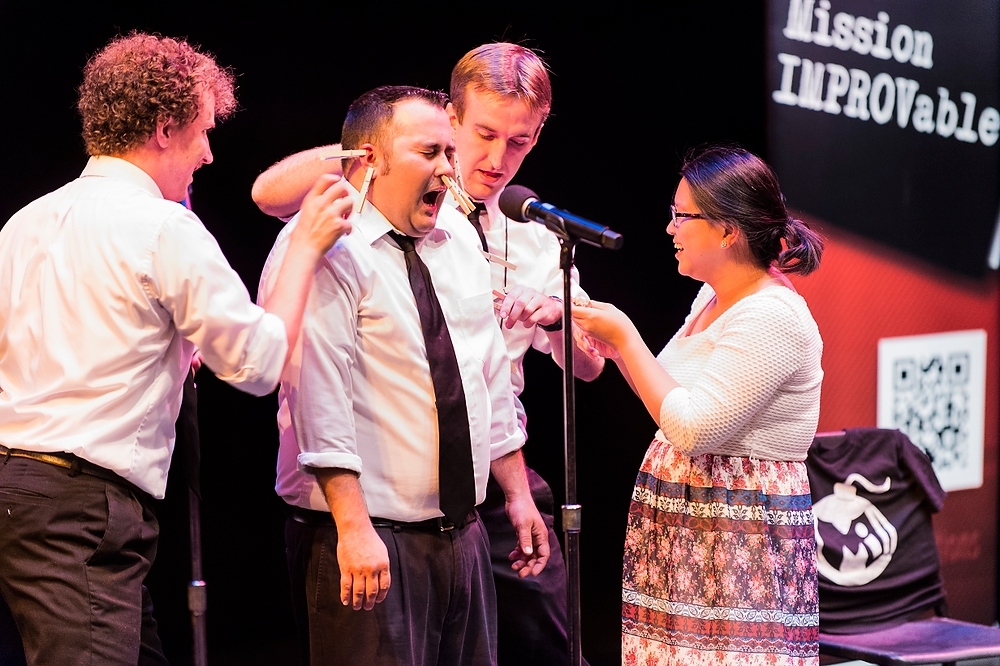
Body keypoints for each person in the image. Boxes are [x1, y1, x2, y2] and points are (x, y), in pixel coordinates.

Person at [0, 33, 353, 665]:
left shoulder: (26, 221)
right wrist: (306, 246)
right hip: (78, 506)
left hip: (24, 492)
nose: (210, 154)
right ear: (164, 129)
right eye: (203, 132)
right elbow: (256, 365)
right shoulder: (163, 224)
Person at [251, 43, 603, 665]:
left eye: (518, 142)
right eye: (456, 144)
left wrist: (519, 493)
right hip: (372, 518)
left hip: (466, 508)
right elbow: (318, 392)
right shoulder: (333, 238)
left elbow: (489, 378)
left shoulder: (474, 238)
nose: (480, 163)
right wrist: (354, 527)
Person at [572, 145, 825, 665]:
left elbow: (694, 429)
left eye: (682, 216)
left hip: (739, 539)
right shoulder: (711, 297)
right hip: (686, 534)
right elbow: (667, 394)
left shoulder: (772, 315)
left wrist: (625, 334)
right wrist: (611, 345)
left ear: (728, 230)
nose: (670, 229)